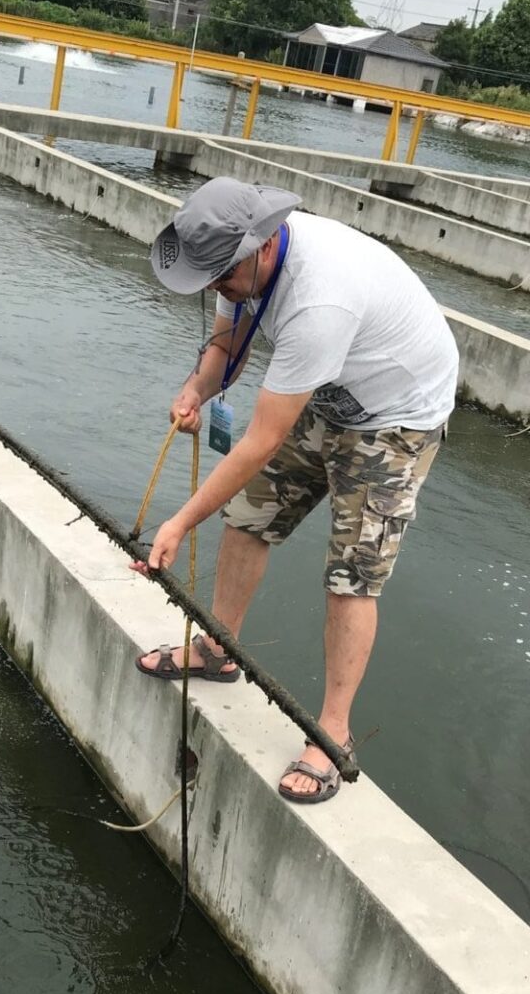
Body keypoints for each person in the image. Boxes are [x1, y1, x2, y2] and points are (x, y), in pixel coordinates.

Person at [135, 176, 458, 805]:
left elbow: (260, 440)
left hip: (396, 417)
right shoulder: (241, 268)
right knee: (248, 515)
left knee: (351, 575)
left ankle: (333, 733)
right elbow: (228, 342)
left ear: (259, 247)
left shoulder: (318, 300)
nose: (216, 287)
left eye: (221, 277)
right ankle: (218, 647)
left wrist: (178, 523)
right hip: (333, 394)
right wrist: (195, 389)